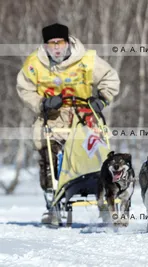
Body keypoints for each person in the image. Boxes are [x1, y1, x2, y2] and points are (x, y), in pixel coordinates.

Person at [16, 23, 120, 223]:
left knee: (98, 154)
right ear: (45, 45)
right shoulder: (34, 64)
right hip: (53, 118)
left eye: (60, 42)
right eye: (51, 43)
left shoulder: (86, 59)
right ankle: (52, 203)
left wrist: (103, 99)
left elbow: (110, 77)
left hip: (83, 116)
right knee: (48, 156)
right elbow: (24, 88)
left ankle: (107, 199)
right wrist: (41, 103)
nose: (56, 47)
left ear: (67, 42)